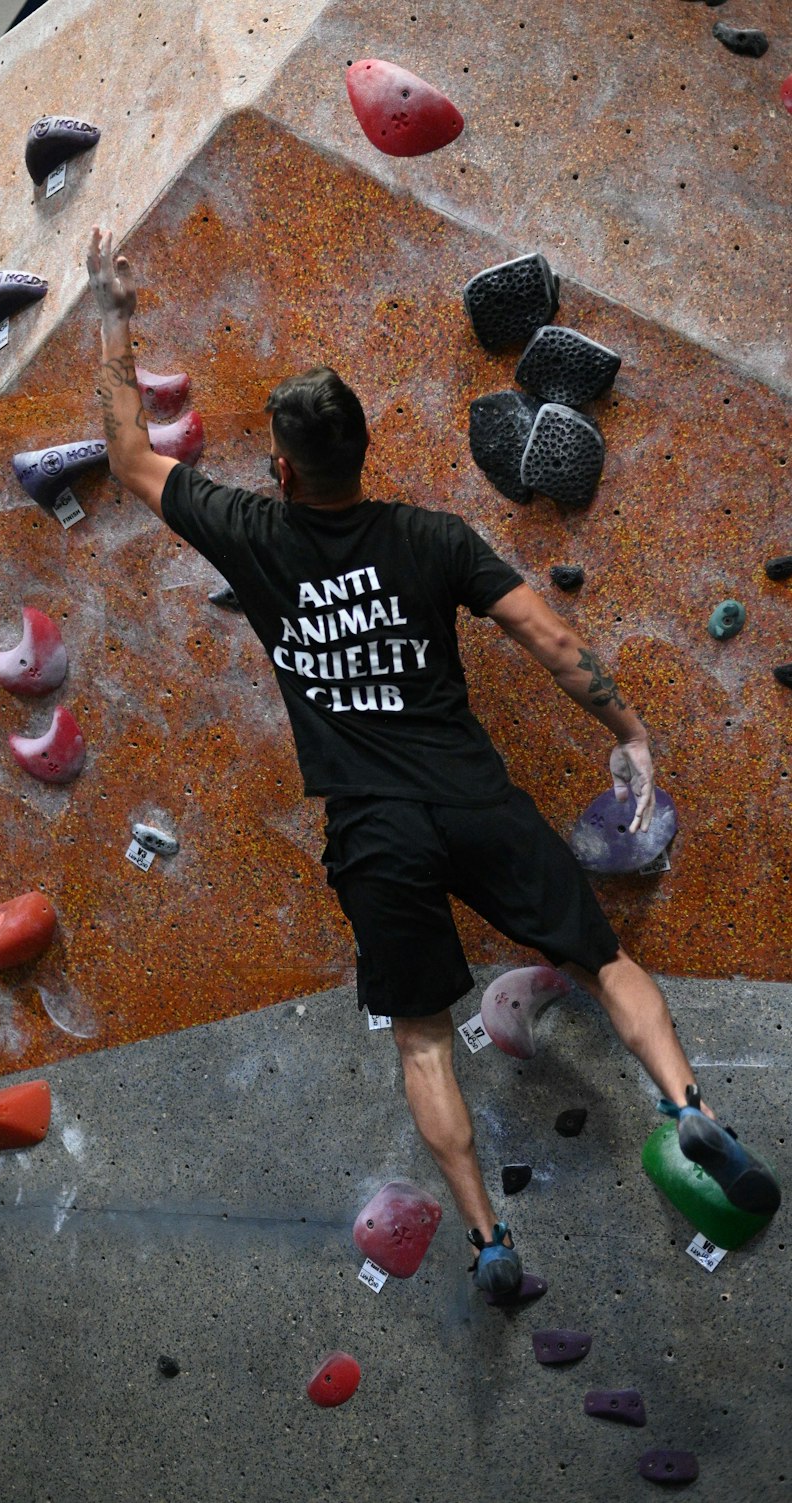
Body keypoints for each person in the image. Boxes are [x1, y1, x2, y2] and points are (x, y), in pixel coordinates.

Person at [85, 227, 780, 1297]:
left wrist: (110, 310)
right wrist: (629, 733)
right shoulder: (431, 537)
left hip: (373, 830)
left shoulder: (249, 532)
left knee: (420, 1039)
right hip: (473, 797)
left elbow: (131, 456)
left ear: (281, 469)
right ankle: (691, 1112)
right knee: (604, 963)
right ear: (364, 455)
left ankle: (489, 1245)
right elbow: (551, 641)